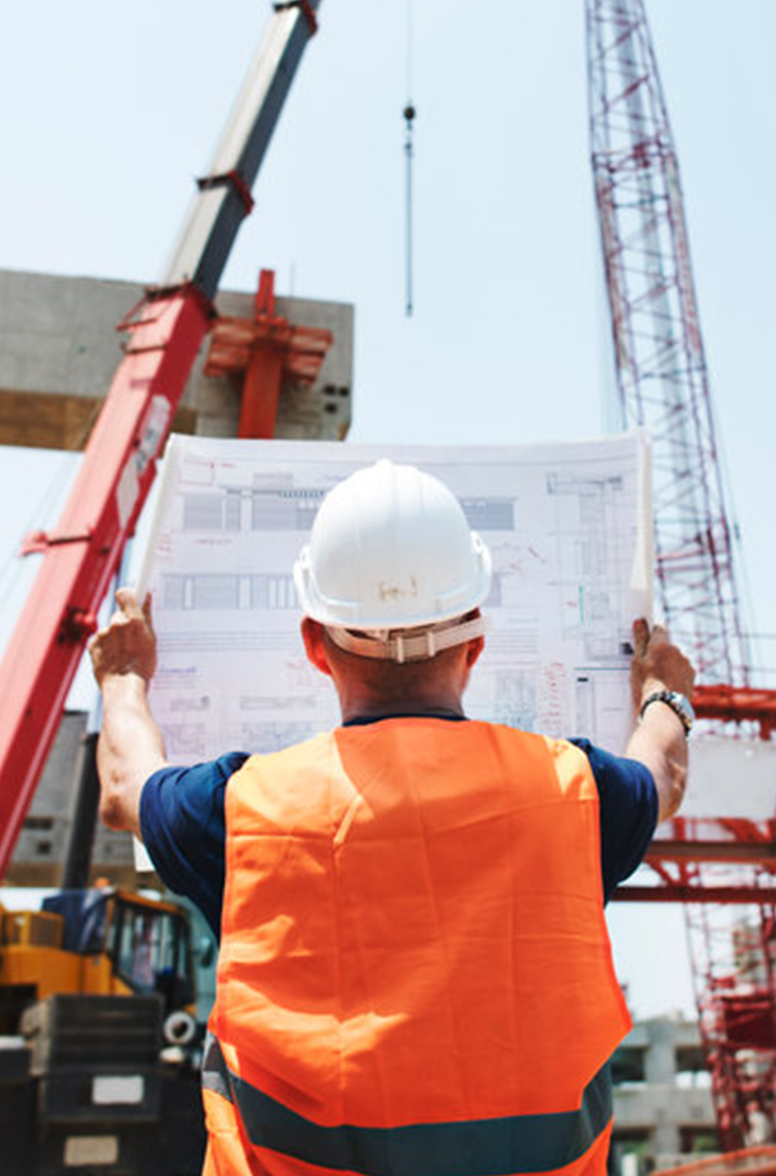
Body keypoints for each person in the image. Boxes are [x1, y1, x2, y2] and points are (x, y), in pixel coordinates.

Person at [88, 459, 695, 1176]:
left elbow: (124, 788)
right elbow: (665, 775)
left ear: (317, 646)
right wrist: (666, 696)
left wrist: (123, 679)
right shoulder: (576, 790)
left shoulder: (241, 808)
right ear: (474, 642)